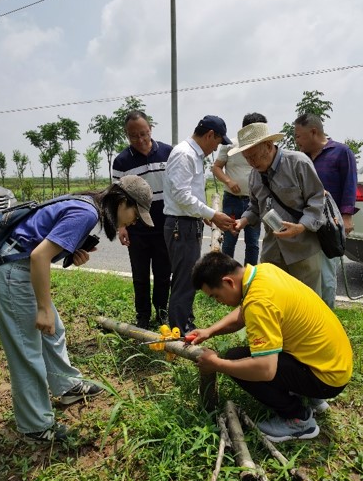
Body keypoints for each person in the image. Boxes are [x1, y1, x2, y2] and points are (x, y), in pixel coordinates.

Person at [0, 174, 154, 442]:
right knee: (27, 351)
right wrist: (43, 308)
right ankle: (35, 426)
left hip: (19, 269)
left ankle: (67, 386)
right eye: (135, 214)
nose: (133, 221)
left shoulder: (86, 204)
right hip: (12, 274)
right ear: (122, 201)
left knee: (54, 331)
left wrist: (70, 252)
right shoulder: (85, 213)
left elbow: (41, 245)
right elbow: (40, 255)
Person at [190, 250, 353, 440]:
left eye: (215, 296)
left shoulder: (259, 303)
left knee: (234, 359)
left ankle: (298, 419)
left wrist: (216, 364)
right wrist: (210, 331)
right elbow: (243, 312)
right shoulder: (263, 272)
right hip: (335, 364)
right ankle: (312, 396)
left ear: (228, 282)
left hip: (327, 379)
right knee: (257, 352)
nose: (218, 302)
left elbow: (264, 370)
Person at [231, 121, 337, 304]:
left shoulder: (298, 163)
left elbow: (317, 200)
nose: (251, 162)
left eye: (254, 156)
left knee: (307, 302)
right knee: (275, 300)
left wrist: (301, 226)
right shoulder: (254, 175)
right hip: (273, 249)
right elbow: (255, 207)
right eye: (247, 158)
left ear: (269, 145)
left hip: (303, 248)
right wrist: (243, 222)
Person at [162, 115, 237, 334]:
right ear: (209, 135)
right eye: (217, 142)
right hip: (181, 226)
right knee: (184, 280)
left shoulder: (193, 156)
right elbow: (180, 195)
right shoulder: (185, 154)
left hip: (187, 223)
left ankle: (185, 321)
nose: (216, 148)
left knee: (188, 278)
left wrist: (203, 215)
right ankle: (179, 329)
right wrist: (212, 214)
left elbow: (189, 193)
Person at [111, 109, 172, 329]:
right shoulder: (122, 161)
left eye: (144, 133)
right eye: (134, 136)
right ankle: (143, 315)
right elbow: (117, 197)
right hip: (137, 227)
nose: (141, 139)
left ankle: (162, 312)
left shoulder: (168, 153)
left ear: (150, 129)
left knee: (164, 273)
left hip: (164, 225)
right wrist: (121, 226)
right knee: (140, 275)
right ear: (127, 136)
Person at [293, 111, 359, 306]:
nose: (296, 141)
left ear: (313, 132)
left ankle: (327, 315)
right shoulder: (300, 158)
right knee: (306, 272)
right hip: (303, 222)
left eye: (298, 135)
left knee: (326, 274)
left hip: (329, 224)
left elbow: (350, 185)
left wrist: (346, 217)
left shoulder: (341, 152)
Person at [211, 110, 267, 267]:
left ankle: (249, 277)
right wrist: (229, 181)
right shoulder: (230, 145)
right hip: (232, 200)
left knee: (253, 243)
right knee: (229, 241)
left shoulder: (265, 148)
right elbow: (216, 168)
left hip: (253, 202)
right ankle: (226, 274)